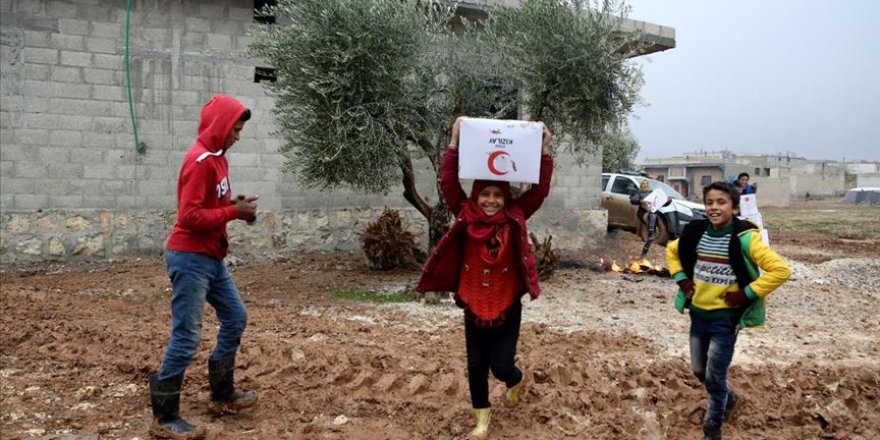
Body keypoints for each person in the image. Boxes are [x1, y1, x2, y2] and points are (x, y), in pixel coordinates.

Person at [416, 117, 553, 439]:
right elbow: (449, 183)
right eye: (484, 194)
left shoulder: (516, 217)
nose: (491, 200)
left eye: (498, 195)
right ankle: (482, 420)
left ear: (506, 198)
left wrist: (545, 149)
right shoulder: (464, 215)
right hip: (473, 305)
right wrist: (453, 142)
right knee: (476, 367)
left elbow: (540, 190)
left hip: (507, 304)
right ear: (475, 197)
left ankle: (515, 380)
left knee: (501, 366)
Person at [149, 95, 259, 439]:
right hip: (190, 258)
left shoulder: (218, 159)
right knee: (186, 336)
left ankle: (222, 394)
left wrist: (233, 205)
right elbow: (189, 216)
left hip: (211, 258)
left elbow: (211, 204)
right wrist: (232, 213)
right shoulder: (198, 161)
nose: (238, 136)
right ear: (220, 127)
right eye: (235, 130)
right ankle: (165, 417)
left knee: (236, 317)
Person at [666, 181, 791, 440]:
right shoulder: (697, 232)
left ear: (734, 207)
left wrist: (745, 294)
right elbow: (671, 250)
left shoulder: (746, 239)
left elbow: (781, 270)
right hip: (698, 316)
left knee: (714, 376)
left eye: (721, 202)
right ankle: (729, 397)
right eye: (710, 202)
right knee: (699, 370)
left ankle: (712, 430)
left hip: (725, 320)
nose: (714, 207)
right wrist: (681, 278)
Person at [629, 179, 659, 256]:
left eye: (647, 184)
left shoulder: (651, 193)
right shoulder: (638, 193)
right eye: (644, 184)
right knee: (652, 216)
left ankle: (646, 247)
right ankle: (651, 233)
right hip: (643, 213)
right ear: (641, 185)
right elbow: (633, 200)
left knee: (653, 215)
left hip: (652, 212)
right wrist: (641, 201)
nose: (645, 185)